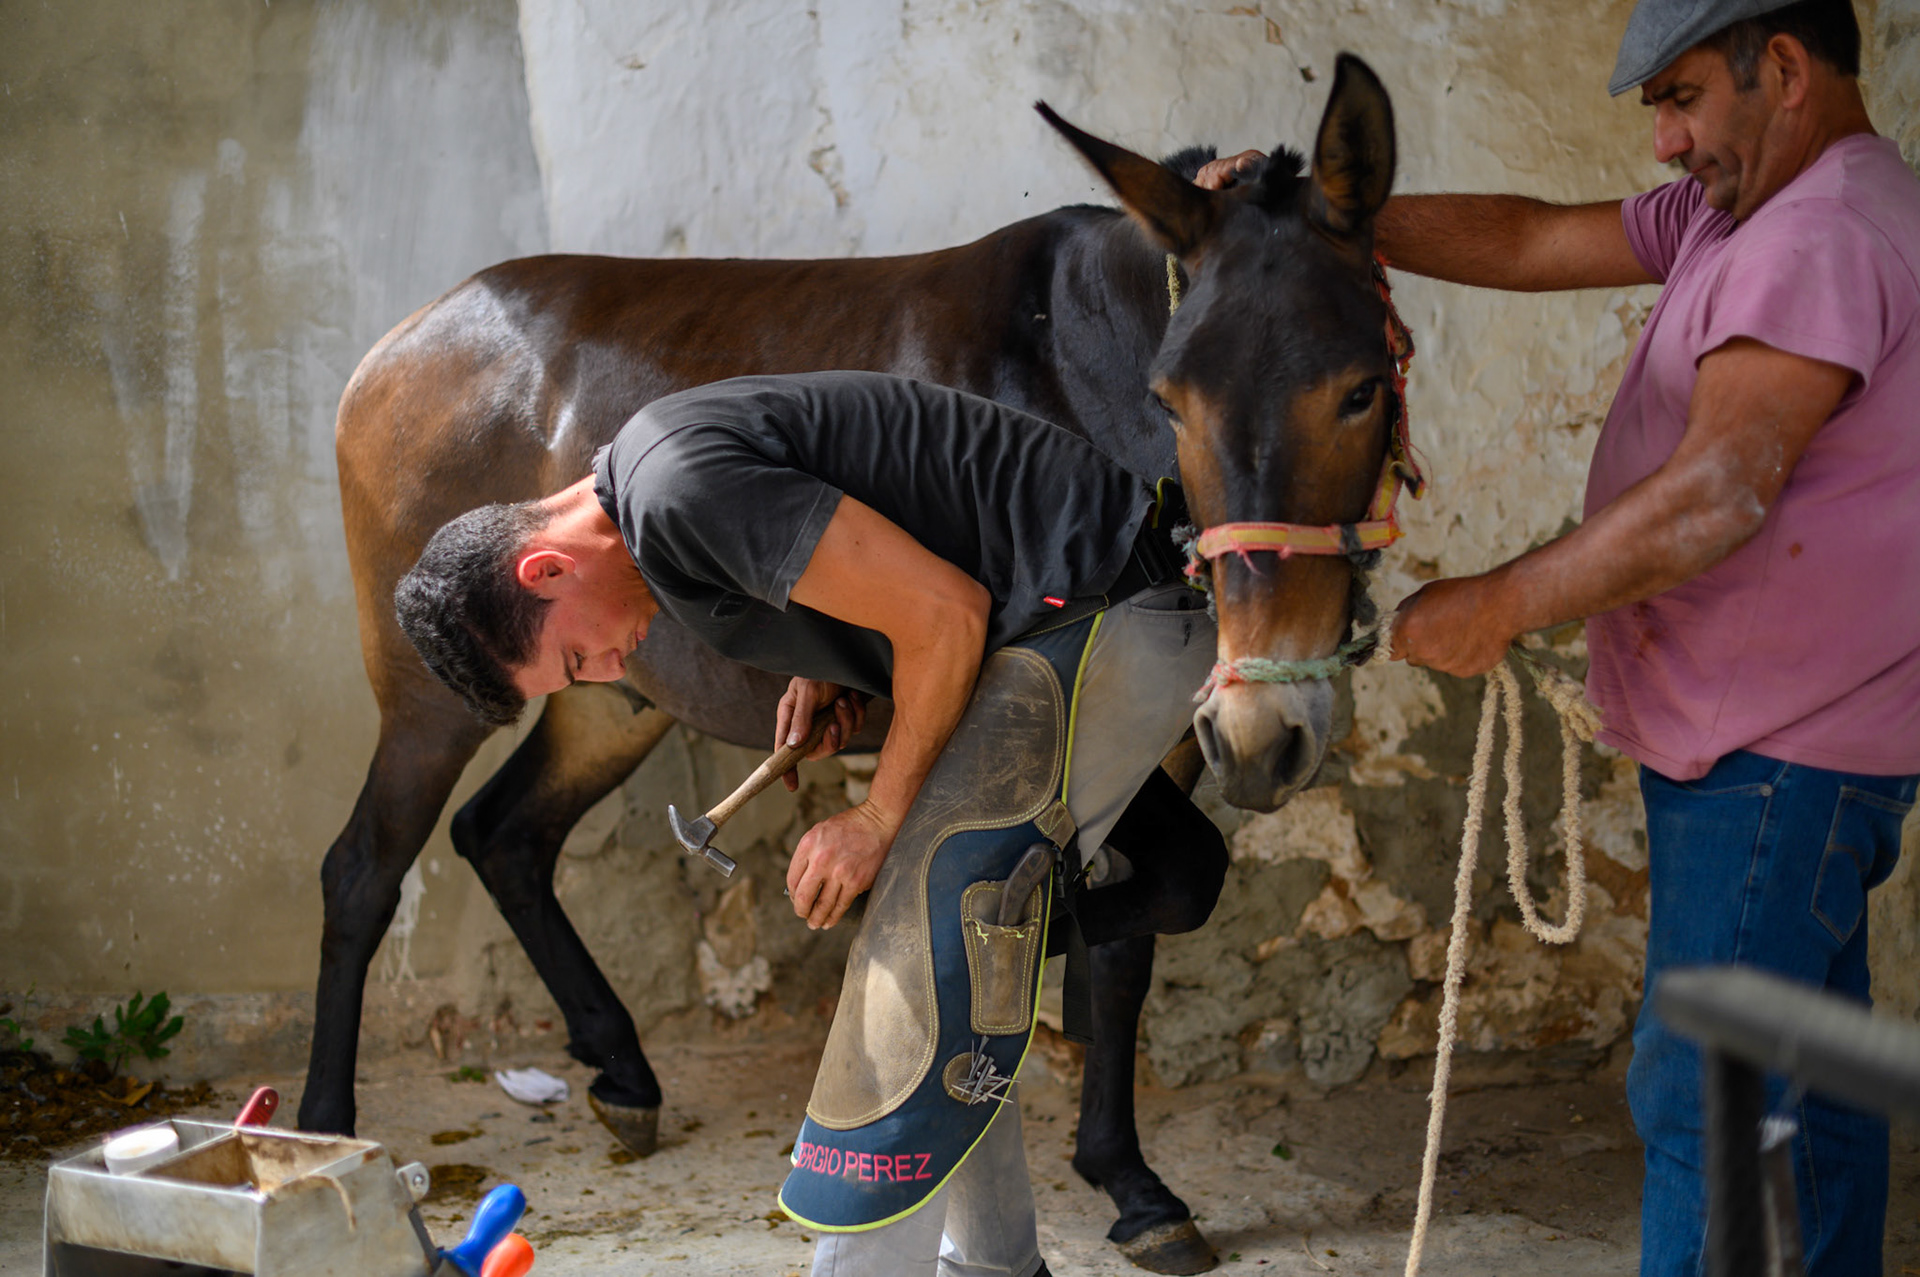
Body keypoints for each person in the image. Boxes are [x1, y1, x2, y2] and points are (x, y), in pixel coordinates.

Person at [1201, 1, 1918, 1272]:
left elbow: (1719, 490)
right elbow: (1531, 239)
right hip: (1784, 749)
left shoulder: (1820, 233)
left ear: (1789, 70)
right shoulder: (1741, 209)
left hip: (1776, 762)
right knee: (1809, 1090)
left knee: (1709, 1095)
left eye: (1683, 98)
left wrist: (1499, 602)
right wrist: (1320, 214)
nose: (1664, 142)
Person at [393, 369, 1220, 1277]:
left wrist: (874, 814)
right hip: (1069, 616)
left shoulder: (676, 493)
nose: (606, 669)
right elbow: (887, 528)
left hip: (1106, 609)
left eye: (576, 656)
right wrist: (828, 659)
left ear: (545, 570)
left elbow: (948, 617)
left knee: (925, 938)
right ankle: (997, 1263)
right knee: (956, 948)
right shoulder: (650, 479)